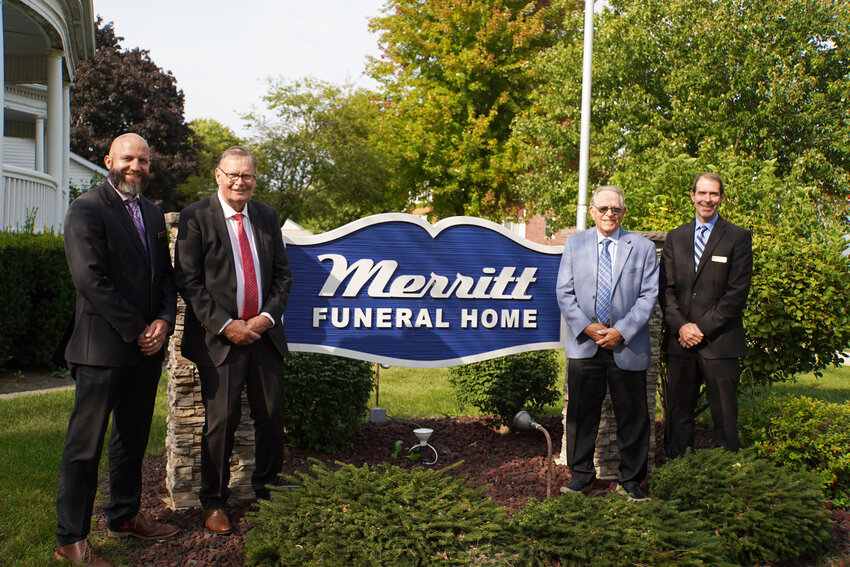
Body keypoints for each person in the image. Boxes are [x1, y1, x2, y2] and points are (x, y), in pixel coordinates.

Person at [55, 133, 178, 566]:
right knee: (84, 447)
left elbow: (165, 276)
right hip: (101, 349)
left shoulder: (152, 212)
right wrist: (138, 328)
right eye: (128, 158)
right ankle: (70, 538)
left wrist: (163, 321)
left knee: (131, 440)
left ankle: (124, 516)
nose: (136, 166)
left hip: (145, 350)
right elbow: (91, 279)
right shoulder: (86, 209)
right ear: (109, 159)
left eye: (143, 160)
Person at [174, 146, 292, 535]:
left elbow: (282, 277)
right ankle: (214, 502)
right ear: (218, 175)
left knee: (271, 418)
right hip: (218, 340)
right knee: (221, 422)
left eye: (248, 176)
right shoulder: (196, 217)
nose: (240, 182)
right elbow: (188, 282)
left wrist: (263, 318)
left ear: (256, 179)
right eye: (233, 174)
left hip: (264, 335)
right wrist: (227, 325)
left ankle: (268, 490)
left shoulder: (267, 217)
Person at [556, 185, 659, 501]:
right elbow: (564, 292)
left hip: (626, 345)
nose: (609, 214)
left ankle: (630, 480)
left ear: (623, 212)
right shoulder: (575, 244)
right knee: (581, 415)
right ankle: (581, 476)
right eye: (603, 209)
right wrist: (588, 328)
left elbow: (648, 295)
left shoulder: (641, 247)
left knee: (633, 415)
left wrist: (620, 331)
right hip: (586, 344)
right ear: (593, 211)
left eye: (615, 209)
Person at [660, 172, 752, 458]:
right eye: (702, 193)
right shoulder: (676, 237)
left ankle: (725, 477)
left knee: (725, 418)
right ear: (692, 196)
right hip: (681, 343)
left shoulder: (737, 237)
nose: (707, 199)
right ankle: (680, 473)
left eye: (713, 194)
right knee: (678, 415)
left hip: (720, 343)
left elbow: (736, 293)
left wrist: (699, 328)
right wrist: (682, 327)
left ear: (722, 198)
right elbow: (666, 290)